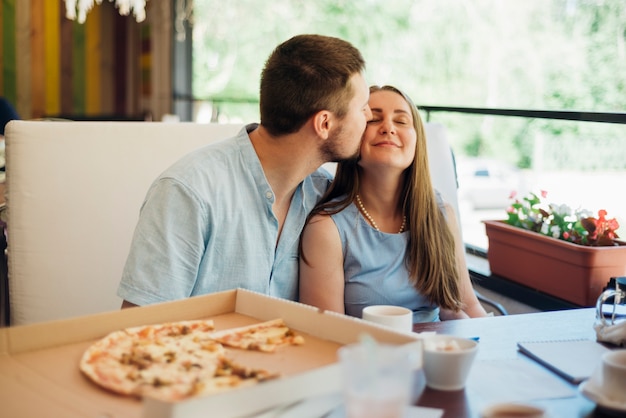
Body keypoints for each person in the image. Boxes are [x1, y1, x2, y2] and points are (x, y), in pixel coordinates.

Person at [118, 34, 371, 308]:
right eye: (362, 108)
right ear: (324, 123)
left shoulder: (325, 194)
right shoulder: (187, 191)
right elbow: (140, 328)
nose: (368, 117)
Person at [299, 85, 488, 321]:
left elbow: (468, 308)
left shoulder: (441, 214)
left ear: (416, 140)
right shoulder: (326, 228)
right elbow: (327, 333)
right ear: (352, 136)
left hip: (439, 353)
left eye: (401, 121)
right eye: (374, 119)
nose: (388, 128)